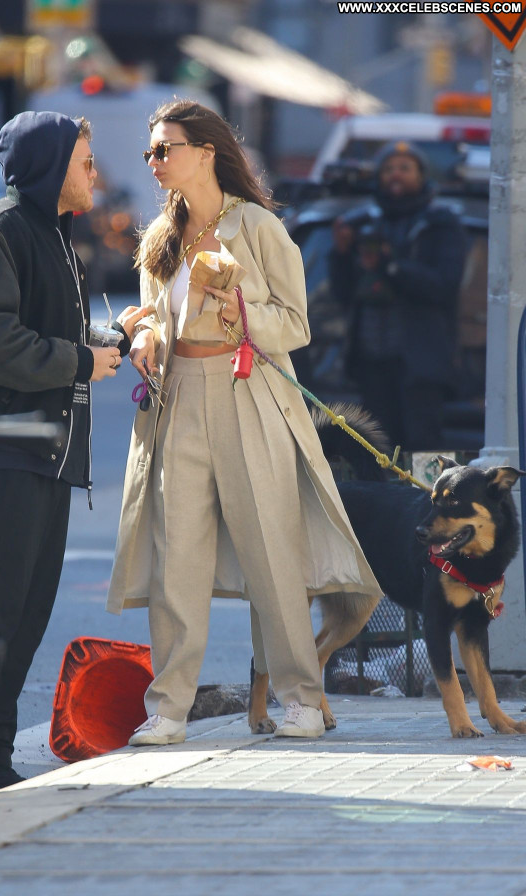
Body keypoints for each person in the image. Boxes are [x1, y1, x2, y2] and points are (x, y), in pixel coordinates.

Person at [106, 100, 381, 746]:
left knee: (271, 551)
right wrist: (144, 335)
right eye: (150, 151)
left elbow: (296, 323)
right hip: (176, 397)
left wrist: (241, 308)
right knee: (176, 558)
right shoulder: (159, 237)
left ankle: (301, 699)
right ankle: (168, 709)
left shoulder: (257, 226)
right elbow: (154, 318)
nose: (154, 161)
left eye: (165, 148)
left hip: (248, 391)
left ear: (206, 152)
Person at [0, 110, 149, 793]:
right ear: (51, 166)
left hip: (49, 459)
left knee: (25, 622)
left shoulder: (55, 236)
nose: (95, 174)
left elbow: (50, 334)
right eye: (85, 161)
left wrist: (112, 341)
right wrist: (81, 360)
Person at [328, 140, 467, 450]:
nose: (396, 174)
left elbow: (444, 286)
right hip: (371, 363)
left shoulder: (440, 224)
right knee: (379, 450)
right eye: (388, 169)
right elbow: (343, 294)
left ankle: (425, 487)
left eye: (405, 168)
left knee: (424, 451)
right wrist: (341, 253)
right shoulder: (363, 223)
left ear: (421, 175)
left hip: (420, 365)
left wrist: (390, 266)